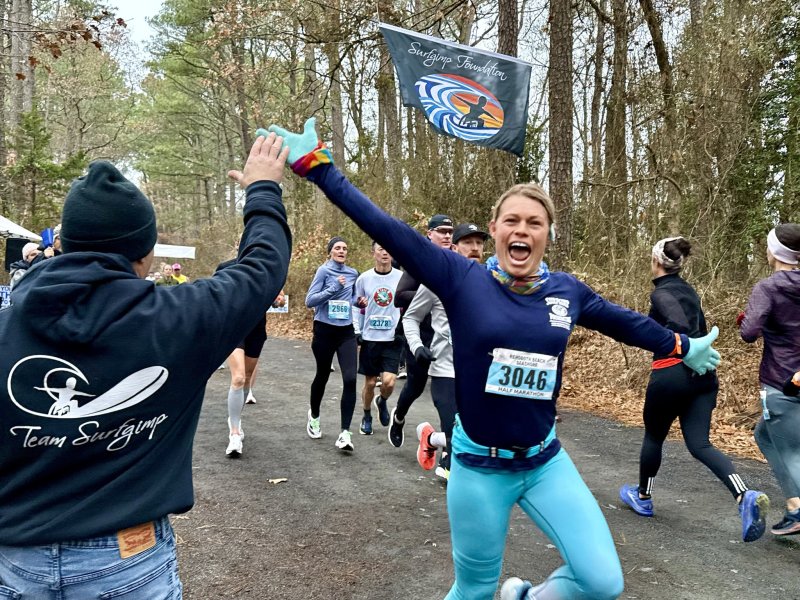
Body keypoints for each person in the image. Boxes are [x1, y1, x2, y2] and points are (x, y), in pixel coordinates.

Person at [264, 118, 720, 600]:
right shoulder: (462, 278)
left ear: (548, 234)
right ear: (497, 230)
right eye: (512, 221)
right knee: (474, 591)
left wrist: (682, 346)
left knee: (601, 580)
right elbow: (388, 229)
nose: (522, 230)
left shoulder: (568, 291)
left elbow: (626, 322)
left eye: (535, 223)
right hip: (479, 468)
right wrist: (318, 168)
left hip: (545, 462)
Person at [0, 132, 291, 597]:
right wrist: (262, 190)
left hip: (15, 562)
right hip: (126, 564)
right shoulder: (180, 318)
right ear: (145, 252)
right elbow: (262, 268)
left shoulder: (6, 324)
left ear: (65, 243)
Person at [619, 236, 768, 542]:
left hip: (671, 373)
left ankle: (643, 497)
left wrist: (672, 340)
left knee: (654, 436)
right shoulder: (690, 290)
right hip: (704, 375)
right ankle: (744, 496)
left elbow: (677, 325)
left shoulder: (661, 294)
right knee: (700, 444)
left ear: (656, 262)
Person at [403, 222, 488, 481]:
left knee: (476, 431)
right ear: (454, 247)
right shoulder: (437, 282)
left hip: (476, 371)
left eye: (479, 243)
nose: (474, 248)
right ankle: (455, 473)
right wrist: (417, 347)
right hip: (444, 369)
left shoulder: (492, 282)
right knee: (456, 432)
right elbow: (410, 318)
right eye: (467, 243)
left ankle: (431, 439)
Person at [739, 223, 800, 537]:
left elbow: (749, 333)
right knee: (764, 436)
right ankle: (794, 507)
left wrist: (749, 317)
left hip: (780, 380)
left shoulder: (769, 287)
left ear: (776, 252)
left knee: (792, 452)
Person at [390, 214, 454, 447]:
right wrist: (431, 298)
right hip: (420, 333)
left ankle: (446, 447)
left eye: (450, 231)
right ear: (429, 234)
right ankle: (398, 416)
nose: (447, 235)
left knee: (449, 393)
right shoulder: (421, 263)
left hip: (447, 338)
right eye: (441, 231)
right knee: (416, 385)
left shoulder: (455, 262)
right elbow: (399, 296)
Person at [216, 253, 285, 457]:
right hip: (233, 329)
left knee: (245, 381)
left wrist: (278, 300)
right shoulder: (225, 267)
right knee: (237, 378)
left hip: (256, 329)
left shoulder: (266, 269)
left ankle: (235, 418)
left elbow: (278, 302)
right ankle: (235, 433)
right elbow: (215, 297)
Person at [305, 236, 359, 451]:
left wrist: (359, 302)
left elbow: (352, 298)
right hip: (324, 330)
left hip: (346, 331)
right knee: (323, 375)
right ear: (330, 252)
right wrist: (333, 287)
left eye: (345, 248)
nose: (342, 251)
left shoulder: (353, 273)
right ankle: (314, 416)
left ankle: (345, 433)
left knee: (351, 378)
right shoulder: (323, 272)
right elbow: (310, 301)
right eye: (337, 248)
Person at [353, 241, 403, 435]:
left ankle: (382, 401)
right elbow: (355, 305)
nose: (385, 252)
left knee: (389, 382)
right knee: (371, 383)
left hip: (393, 337)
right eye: (381, 249)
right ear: (373, 253)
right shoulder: (364, 279)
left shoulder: (401, 277)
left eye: (388, 249)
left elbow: (410, 304)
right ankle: (366, 415)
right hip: (370, 338)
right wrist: (357, 331)